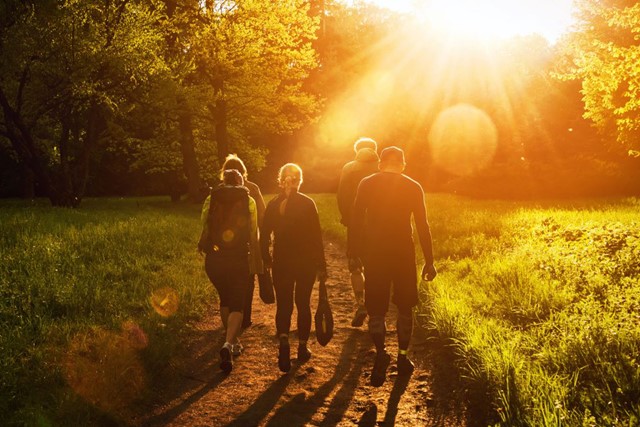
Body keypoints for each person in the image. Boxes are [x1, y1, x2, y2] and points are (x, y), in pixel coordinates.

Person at [347, 146, 437, 387]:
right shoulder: (412, 186)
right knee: (405, 308)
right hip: (403, 254)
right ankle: (403, 357)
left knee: (376, 310)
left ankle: (381, 353)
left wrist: (353, 253)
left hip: (374, 254)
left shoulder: (367, 183)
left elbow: (355, 220)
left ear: (380, 164)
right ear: (403, 164)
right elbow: (422, 225)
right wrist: (429, 260)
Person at [261, 163, 327, 373]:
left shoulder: (273, 204)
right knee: (303, 304)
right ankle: (302, 347)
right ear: (299, 180)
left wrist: (266, 259)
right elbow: (317, 237)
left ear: (281, 180)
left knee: (284, 305)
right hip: (305, 263)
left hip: (282, 261)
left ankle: (283, 343)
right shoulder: (308, 203)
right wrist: (321, 265)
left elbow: (264, 236)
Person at [198, 169, 259, 373]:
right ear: (241, 181)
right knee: (237, 304)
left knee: (225, 298)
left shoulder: (212, 197)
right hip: (238, 257)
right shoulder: (248, 199)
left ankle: (232, 341)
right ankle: (228, 344)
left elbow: (204, 223)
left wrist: (206, 243)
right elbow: (253, 230)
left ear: (223, 181)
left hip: (214, 258)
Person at [220, 154, 267, 331]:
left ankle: (230, 317)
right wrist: (265, 239)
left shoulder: (219, 190)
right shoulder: (252, 188)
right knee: (248, 279)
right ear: (243, 171)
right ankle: (244, 318)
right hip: (249, 243)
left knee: (228, 280)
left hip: (225, 243)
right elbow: (262, 215)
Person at [337, 137, 380, 327]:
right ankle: (375, 309)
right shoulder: (382, 167)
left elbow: (342, 196)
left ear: (357, 150)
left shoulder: (349, 168)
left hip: (356, 224)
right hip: (379, 226)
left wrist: (347, 217)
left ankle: (361, 304)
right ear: (375, 149)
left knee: (355, 265)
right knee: (375, 267)